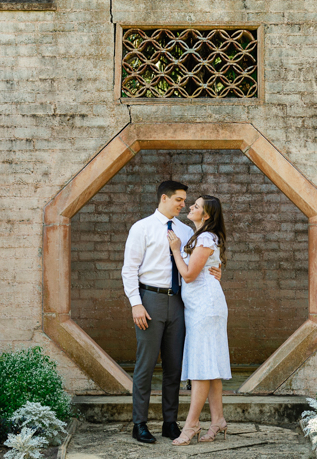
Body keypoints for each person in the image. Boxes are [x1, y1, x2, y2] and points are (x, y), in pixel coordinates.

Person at [121, 180, 221, 444]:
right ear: (164, 198)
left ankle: (170, 423)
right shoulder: (141, 228)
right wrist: (135, 302)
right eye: (179, 199)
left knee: (174, 367)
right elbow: (129, 269)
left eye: (186, 200)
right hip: (150, 299)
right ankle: (139, 423)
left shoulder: (187, 231)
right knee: (145, 364)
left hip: (179, 303)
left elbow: (198, 261)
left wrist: (217, 271)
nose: (183, 204)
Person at [166, 195, 231, 445]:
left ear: (206, 215)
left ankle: (192, 424)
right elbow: (207, 267)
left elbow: (190, 275)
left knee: (202, 368)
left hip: (206, 306)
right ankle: (218, 421)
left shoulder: (205, 237)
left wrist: (174, 251)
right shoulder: (202, 236)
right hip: (200, 305)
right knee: (209, 366)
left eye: (196, 206)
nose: (191, 207)